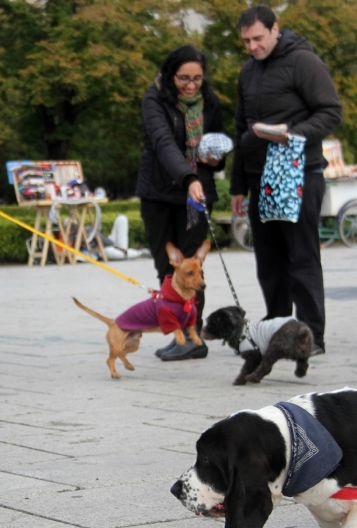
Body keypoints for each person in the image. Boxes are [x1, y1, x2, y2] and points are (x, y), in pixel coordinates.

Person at [229, 6, 342, 356]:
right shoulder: (248, 72)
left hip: (299, 171)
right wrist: (237, 185)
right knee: (269, 260)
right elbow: (240, 131)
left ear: (276, 30)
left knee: (301, 257)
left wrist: (292, 135)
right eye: (246, 40)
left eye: (258, 38)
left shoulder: (304, 62)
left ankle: (311, 336)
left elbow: (330, 111)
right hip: (259, 176)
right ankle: (277, 330)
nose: (252, 46)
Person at [136, 45, 226, 362]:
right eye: (184, 78)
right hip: (160, 193)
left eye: (197, 79)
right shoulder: (154, 99)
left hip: (196, 194)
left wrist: (215, 160)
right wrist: (188, 177)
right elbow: (162, 143)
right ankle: (177, 334)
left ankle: (194, 337)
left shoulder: (210, 102)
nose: (190, 85)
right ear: (170, 74)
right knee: (168, 269)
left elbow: (215, 148)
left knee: (192, 270)